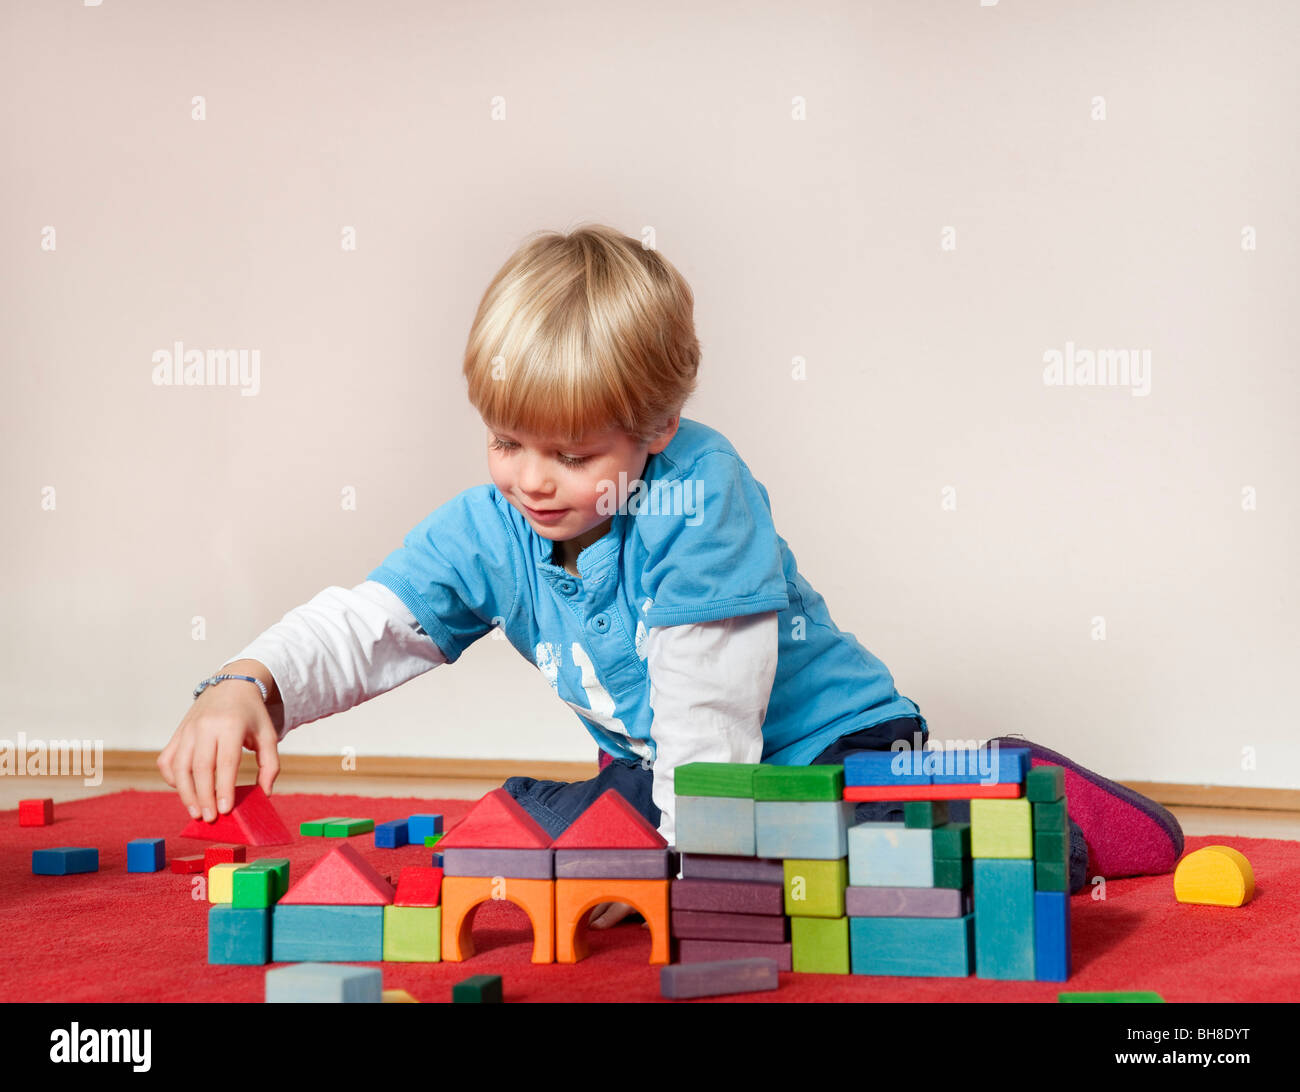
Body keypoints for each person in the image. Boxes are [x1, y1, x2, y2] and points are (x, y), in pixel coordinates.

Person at [158, 224, 1183, 930]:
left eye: (572, 456)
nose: (532, 482)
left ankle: (1006, 790)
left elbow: (711, 713)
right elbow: (370, 625)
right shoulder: (492, 525)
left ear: (655, 431)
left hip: (818, 754)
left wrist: (695, 882)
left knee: (856, 877)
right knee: (514, 837)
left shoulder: (701, 495)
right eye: (507, 442)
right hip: (662, 770)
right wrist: (250, 683)